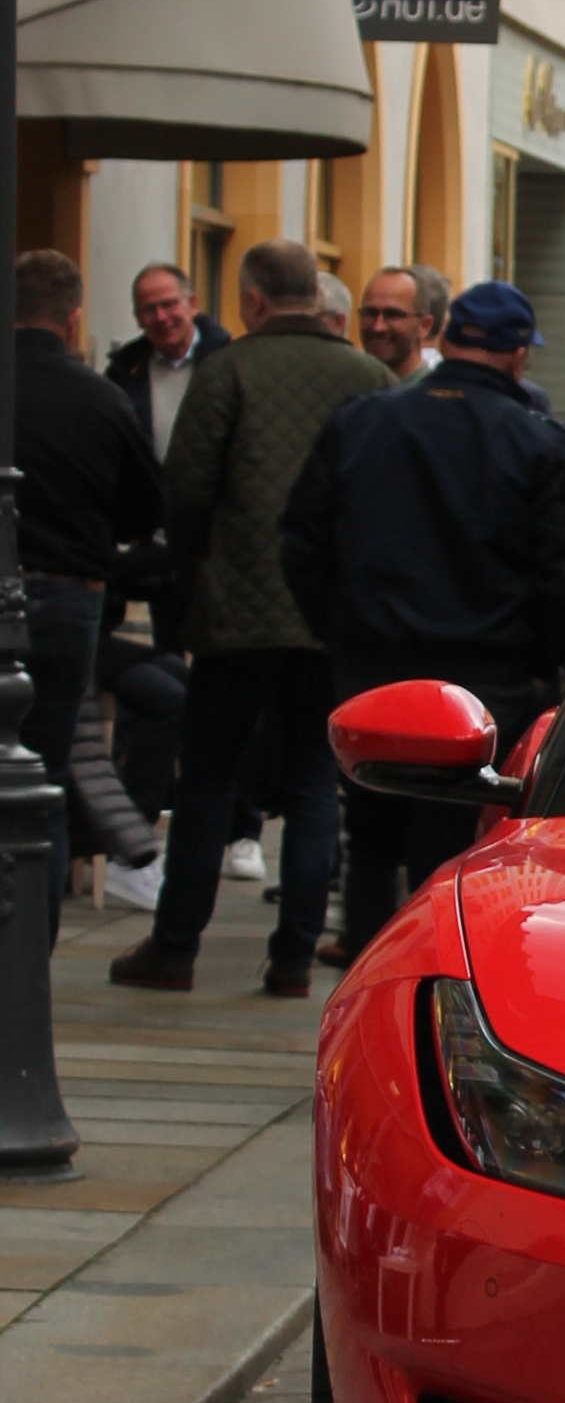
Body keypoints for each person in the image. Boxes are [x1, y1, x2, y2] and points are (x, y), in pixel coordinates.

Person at [282, 279, 565, 959]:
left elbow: (302, 539)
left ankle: (367, 966)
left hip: (377, 665)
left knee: (369, 835)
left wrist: (340, 630)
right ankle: (439, 978)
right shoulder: (539, 443)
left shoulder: (362, 422)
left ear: (445, 337)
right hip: (490, 676)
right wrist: (544, 662)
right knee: (457, 844)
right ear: (517, 355)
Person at [109, 237, 387, 997]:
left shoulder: (226, 371)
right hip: (326, 618)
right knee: (308, 783)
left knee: (206, 780)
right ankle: (295, 959)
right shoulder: (367, 377)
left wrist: (201, 574)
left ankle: (175, 947)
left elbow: (187, 489)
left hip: (235, 617)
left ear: (253, 302)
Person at [13, 253, 166, 938]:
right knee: (42, 782)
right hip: (70, 598)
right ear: (73, 316)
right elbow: (142, 510)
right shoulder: (101, 398)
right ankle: (28, 965)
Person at [105, 262, 229, 462]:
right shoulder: (123, 374)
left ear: (193, 304)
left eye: (168, 305)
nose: (161, 317)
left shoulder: (226, 361)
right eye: (149, 310)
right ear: (137, 318)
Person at [356, 265, 440, 389]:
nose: (378, 327)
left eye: (393, 315)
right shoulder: (350, 390)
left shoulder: (436, 398)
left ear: (424, 325)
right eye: (371, 313)